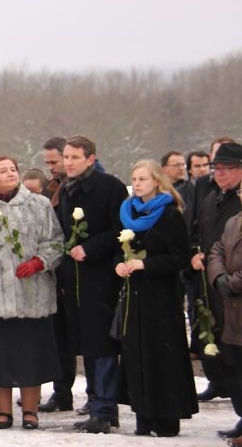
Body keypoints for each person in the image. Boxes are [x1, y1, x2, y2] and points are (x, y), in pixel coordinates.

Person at [0, 156, 63, 430]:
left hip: (31, 295)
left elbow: (55, 242)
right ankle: (3, 412)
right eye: (3, 171)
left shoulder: (38, 204)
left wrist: (39, 262)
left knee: (31, 355)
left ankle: (30, 411)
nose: (9, 174)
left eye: (13, 170)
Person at [113, 160, 198, 437]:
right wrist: (121, 264)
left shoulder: (170, 214)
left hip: (161, 298)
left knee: (162, 357)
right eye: (134, 179)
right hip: (135, 298)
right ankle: (143, 414)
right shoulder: (128, 212)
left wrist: (145, 265)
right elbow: (121, 248)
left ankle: (166, 417)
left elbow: (178, 257)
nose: (136, 184)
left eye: (143, 179)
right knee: (137, 354)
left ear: (157, 182)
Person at [56, 135, 129, 433]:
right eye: (66, 157)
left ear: (90, 158)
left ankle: (105, 407)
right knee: (87, 342)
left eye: (75, 157)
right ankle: (98, 405)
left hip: (101, 276)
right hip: (75, 278)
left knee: (102, 344)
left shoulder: (109, 186)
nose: (69, 162)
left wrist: (91, 248)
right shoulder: (66, 188)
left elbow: (120, 229)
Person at [208, 187, 242, 446]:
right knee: (235, 363)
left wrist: (232, 282)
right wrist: (218, 276)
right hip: (232, 309)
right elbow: (217, 249)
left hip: (236, 292)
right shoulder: (233, 222)